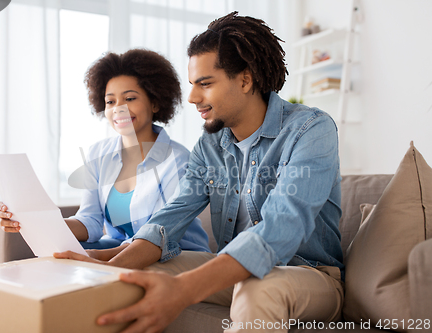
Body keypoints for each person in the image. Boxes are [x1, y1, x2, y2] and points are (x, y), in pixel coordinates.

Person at [55, 12, 344, 333]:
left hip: (309, 274)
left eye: (205, 84)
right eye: (193, 85)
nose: (192, 98)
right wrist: (105, 267)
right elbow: (168, 220)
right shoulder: (211, 146)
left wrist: (184, 289)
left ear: (245, 80)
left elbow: (283, 224)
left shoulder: (310, 129)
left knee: (260, 286)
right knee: (140, 274)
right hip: (233, 267)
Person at [0, 49, 211, 258]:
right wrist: (33, 221)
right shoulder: (98, 153)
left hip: (173, 255)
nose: (119, 108)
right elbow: (90, 220)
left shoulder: (178, 160)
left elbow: (158, 236)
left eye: (130, 98)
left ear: (155, 102)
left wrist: (97, 257)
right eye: (110, 101)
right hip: (119, 248)